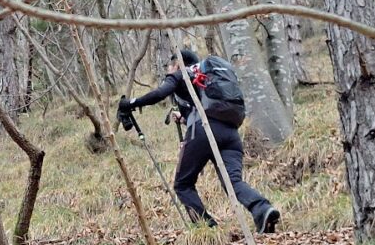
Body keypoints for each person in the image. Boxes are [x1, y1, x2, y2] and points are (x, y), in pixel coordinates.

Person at [118, 50, 281, 233]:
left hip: (203, 131)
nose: (169, 70)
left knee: (183, 184)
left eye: (170, 66)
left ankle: (208, 229)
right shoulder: (204, 77)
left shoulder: (181, 75)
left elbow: (159, 94)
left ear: (178, 64)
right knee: (233, 182)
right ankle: (263, 209)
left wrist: (131, 103)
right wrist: (184, 118)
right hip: (230, 132)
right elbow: (200, 107)